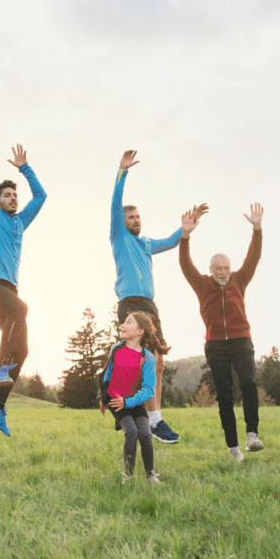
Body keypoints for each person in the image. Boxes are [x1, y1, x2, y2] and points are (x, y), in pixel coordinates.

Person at [0, 119, 47, 436]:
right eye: (7, 195)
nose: (13, 198)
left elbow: (41, 196)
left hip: (9, 289)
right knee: (21, 309)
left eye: (14, 196)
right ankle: (1, 365)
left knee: (25, 350)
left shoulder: (20, 222)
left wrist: (25, 168)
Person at [179, 203, 264, 463]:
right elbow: (186, 264)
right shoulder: (202, 284)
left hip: (241, 340)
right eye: (219, 268)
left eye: (227, 267)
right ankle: (232, 448)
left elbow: (253, 257)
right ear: (211, 269)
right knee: (225, 395)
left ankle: (251, 434)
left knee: (248, 383)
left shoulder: (239, 279)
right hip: (215, 344)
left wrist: (257, 229)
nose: (224, 272)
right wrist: (185, 236)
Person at [109, 149, 182, 444]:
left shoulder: (147, 243)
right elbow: (115, 204)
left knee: (158, 362)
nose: (136, 220)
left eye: (138, 216)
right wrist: (122, 172)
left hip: (150, 306)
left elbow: (173, 240)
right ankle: (148, 418)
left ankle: (148, 415)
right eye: (131, 217)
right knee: (138, 360)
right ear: (123, 221)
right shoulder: (119, 236)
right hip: (131, 303)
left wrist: (186, 228)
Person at [98, 312, 169, 484]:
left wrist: (128, 401)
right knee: (131, 432)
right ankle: (128, 477)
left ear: (140, 331)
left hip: (134, 400)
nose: (122, 325)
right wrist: (101, 397)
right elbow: (106, 374)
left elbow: (148, 390)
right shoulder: (116, 349)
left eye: (128, 322)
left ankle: (150, 475)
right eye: (123, 322)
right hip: (115, 398)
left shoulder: (148, 358)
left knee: (145, 434)